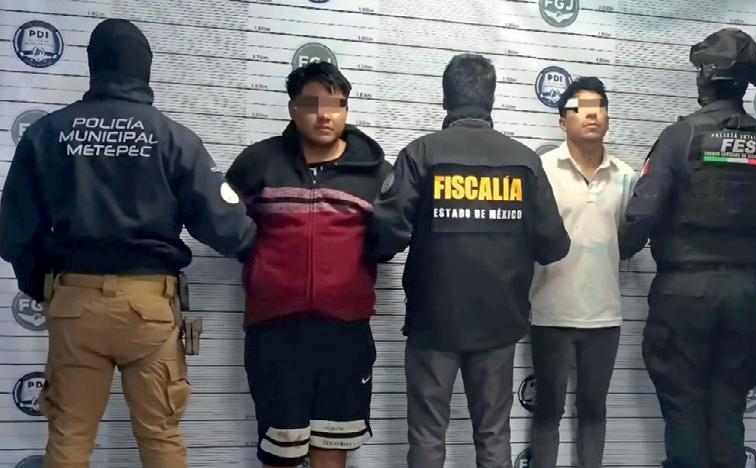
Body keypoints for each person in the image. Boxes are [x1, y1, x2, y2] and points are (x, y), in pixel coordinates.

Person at [0, 19, 257, 468]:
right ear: (145, 68)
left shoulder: (47, 133)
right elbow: (228, 229)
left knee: (69, 437)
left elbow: (13, 230)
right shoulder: (174, 137)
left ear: (93, 64)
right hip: (149, 306)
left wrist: (42, 283)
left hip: (74, 303)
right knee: (160, 437)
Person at [367, 53, 571, 468]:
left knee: (427, 436)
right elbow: (554, 246)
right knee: (493, 436)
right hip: (499, 322)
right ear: (491, 99)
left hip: (433, 322)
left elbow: (385, 237)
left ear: (446, 99)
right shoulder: (524, 161)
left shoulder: (422, 153)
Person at [618, 28, 756, 468]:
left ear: (705, 78)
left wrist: (615, 252)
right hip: (745, 296)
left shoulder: (679, 138)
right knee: (728, 413)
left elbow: (642, 214)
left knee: (684, 411)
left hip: (683, 295)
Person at [225, 62, 392, 468]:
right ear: (293, 109)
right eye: (312, 104)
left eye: (336, 104)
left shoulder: (376, 173)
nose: (325, 115)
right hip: (275, 332)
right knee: (281, 453)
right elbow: (221, 214)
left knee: (332, 449)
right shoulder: (258, 161)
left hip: (345, 333)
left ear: (346, 109)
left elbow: (388, 239)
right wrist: (256, 254)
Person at [529, 77, 637, 468]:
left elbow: (627, 239)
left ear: (608, 118)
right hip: (550, 311)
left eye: (599, 107)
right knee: (547, 410)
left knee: (594, 410)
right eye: (580, 108)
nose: (591, 114)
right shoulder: (541, 171)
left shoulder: (625, 176)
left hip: (604, 316)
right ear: (562, 121)